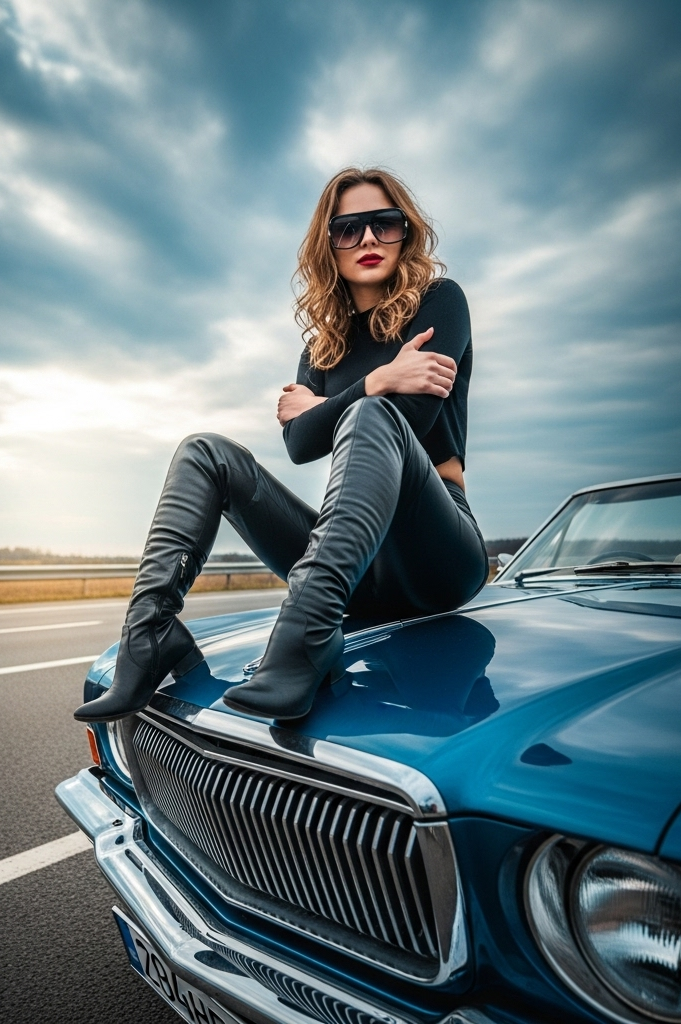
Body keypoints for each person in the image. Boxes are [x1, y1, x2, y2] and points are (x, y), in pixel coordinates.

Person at [75, 167, 488, 724]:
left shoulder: (440, 302)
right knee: (205, 451)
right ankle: (148, 637)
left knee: (373, 414)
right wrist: (378, 378)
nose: (367, 239)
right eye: (348, 229)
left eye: (384, 224)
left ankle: (306, 638)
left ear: (404, 232)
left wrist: (336, 404)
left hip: (435, 556)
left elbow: (408, 417)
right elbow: (299, 445)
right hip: (354, 563)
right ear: (329, 245)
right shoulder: (324, 347)